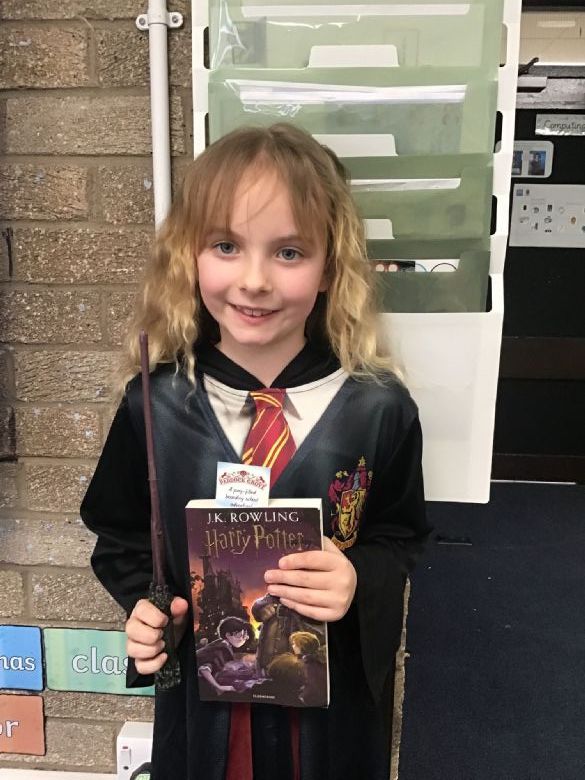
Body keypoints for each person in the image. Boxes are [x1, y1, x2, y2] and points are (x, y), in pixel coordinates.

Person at [80, 122, 430, 780]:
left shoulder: (377, 409)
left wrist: (358, 578)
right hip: (208, 708)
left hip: (326, 713)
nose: (254, 280)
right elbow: (121, 535)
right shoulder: (155, 406)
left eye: (289, 252)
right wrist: (149, 609)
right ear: (189, 256)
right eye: (226, 246)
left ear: (330, 267)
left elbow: (399, 535)